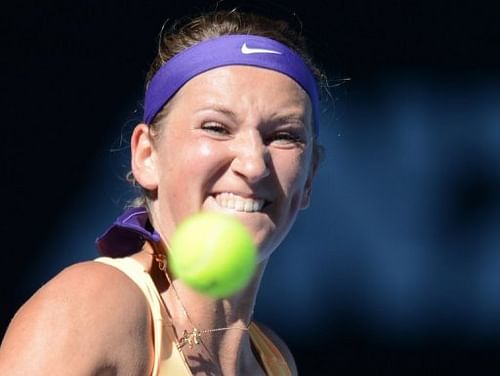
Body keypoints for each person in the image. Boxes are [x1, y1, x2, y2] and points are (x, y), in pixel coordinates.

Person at [0, 9, 325, 375]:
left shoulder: (275, 362)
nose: (253, 164)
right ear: (147, 155)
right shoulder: (91, 305)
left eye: (284, 135)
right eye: (216, 127)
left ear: (310, 175)